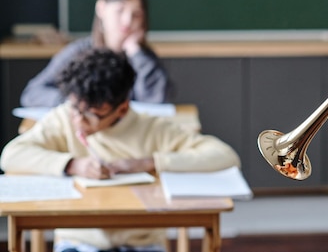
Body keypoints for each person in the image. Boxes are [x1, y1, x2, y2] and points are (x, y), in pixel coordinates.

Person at [0, 48, 241, 252]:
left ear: (122, 109)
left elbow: (226, 157)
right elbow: (11, 155)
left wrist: (148, 162)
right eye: (75, 107)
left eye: (91, 114)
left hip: (142, 244)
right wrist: (73, 164)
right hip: (80, 243)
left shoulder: (150, 128)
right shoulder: (64, 118)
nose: (78, 120)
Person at [20, 0, 171, 107]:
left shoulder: (144, 59)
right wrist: (74, 103)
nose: (127, 21)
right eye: (120, 10)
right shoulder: (79, 53)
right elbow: (32, 93)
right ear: (101, 9)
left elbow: (155, 102)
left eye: (136, 14)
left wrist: (136, 54)